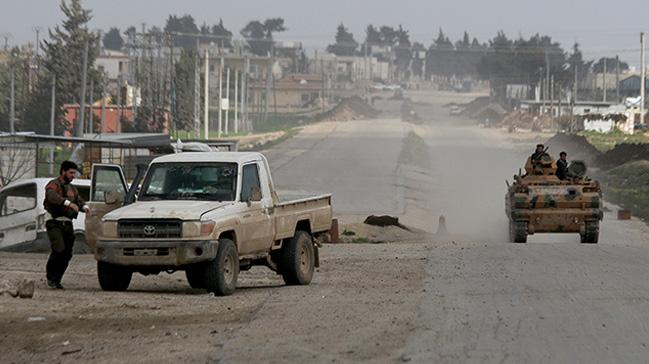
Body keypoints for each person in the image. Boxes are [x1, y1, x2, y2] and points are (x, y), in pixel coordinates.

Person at [43, 161, 91, 289]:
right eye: (70, 172)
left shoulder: (72, 189)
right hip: (54, 222)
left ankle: (57, 280)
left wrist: (85, 207)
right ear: (63, 171)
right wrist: (67, 203)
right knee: (59, 249)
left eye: (74, 173)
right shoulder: (53, 184)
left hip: (67, 223)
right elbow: (51, 196)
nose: (72, 175)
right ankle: (51, 277)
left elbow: (79, 201)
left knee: (67, 253)